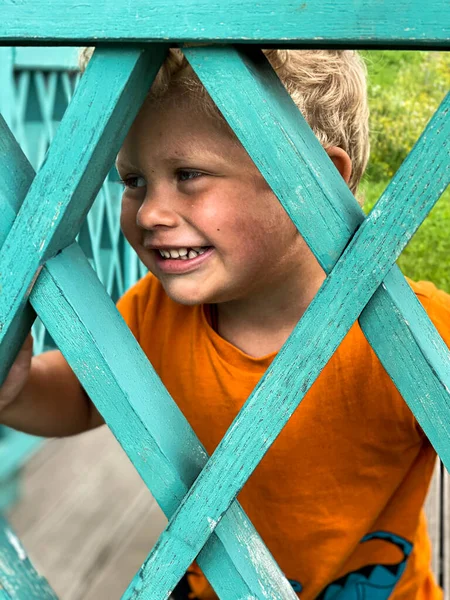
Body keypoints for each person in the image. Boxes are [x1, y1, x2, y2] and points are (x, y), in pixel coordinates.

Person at [1, 47, 449, 599]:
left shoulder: (412, 330)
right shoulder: (154, 312)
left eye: (187, 174)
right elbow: (86, 396)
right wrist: (17, 388)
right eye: (133, 180)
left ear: (313, 182)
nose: (148, 213)